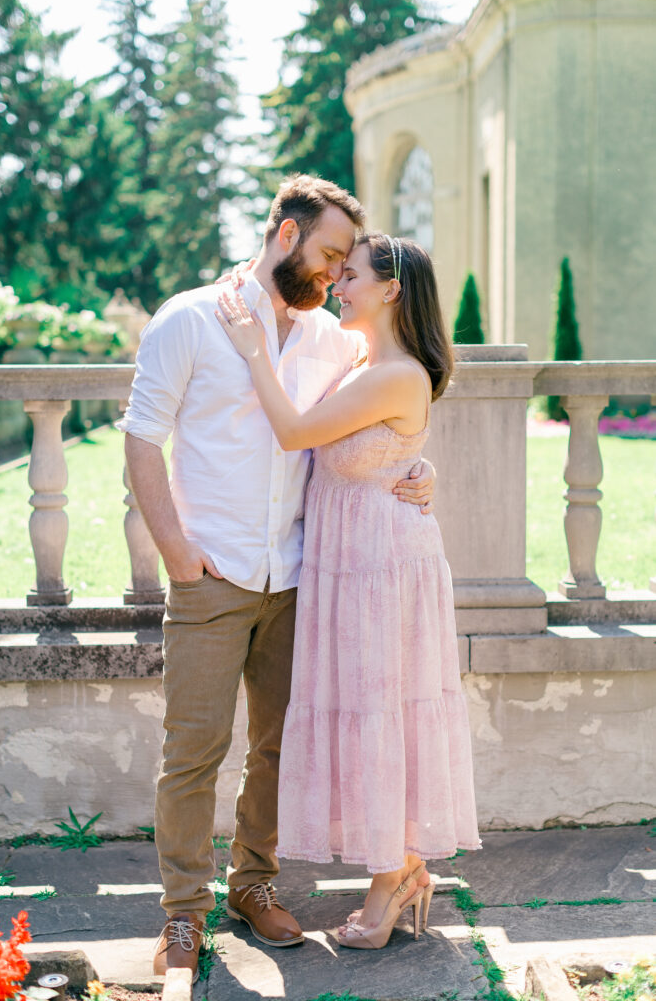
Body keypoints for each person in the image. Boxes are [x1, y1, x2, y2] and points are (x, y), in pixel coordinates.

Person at [117, 176, 436, 979]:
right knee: (191, 751)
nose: (334, 276)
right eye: (329, 254)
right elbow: (139, 440)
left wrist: (417, 468)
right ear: (286, 236)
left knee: (276, 749)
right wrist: (175, 552)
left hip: (300, 577)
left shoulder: (335, 342)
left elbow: (374, 419)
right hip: (212, 572)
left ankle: (250, 886)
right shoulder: (191, 319)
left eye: (346, 265)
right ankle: (182, 916)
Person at [215, 231, 481, 951]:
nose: (339, 283)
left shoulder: (395, 370)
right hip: (350, 560)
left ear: (391, 289)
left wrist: (252, 353)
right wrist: (419, 466)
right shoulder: (364, 357)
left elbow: (298, 431)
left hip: (381, 566)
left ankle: (390, 879)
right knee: (368, 710)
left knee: (382, 713)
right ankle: (400, 870)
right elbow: (378, 449)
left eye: (352, 274)